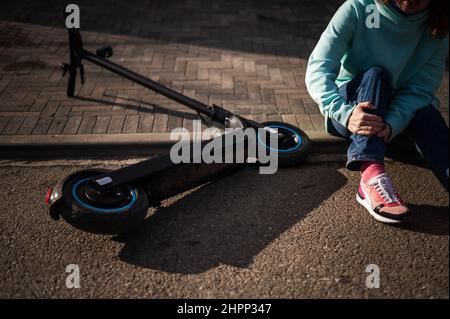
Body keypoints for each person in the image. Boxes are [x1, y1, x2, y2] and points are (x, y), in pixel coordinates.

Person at [305, 0, 449, 224]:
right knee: (376, 75)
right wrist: (344, 112)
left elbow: (420, 90)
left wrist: (392, 123)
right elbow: (318, 67)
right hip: (354, 113)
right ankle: (370, 174)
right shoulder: (359, 8)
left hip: (394, 122)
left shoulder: (440, 23)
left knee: (426, 114)